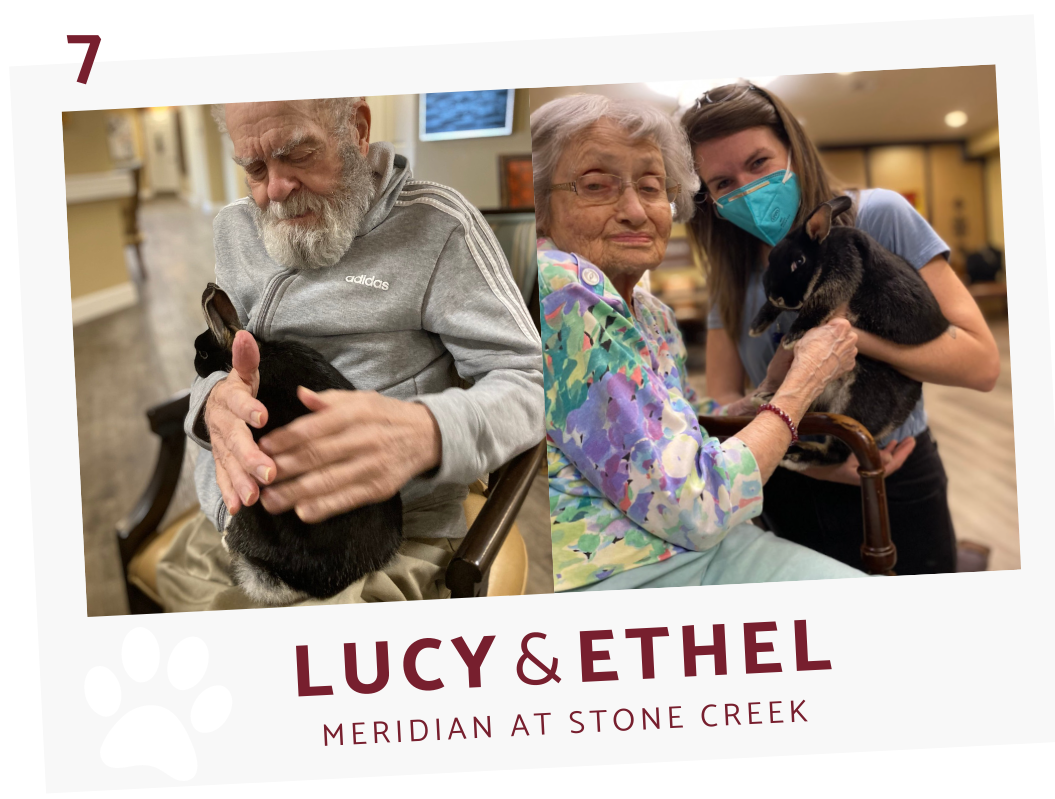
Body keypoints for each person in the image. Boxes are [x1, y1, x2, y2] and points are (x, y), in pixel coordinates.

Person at [155, 97, 544, 610]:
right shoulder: (234, 229)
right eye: (254, 168)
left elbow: (531, 382)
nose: (274, 190)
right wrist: (213, 404)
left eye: (297, 154)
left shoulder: (439, 227)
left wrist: (426, 432)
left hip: (388, 544)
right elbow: (225, 357)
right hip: (234, 522)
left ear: (357, 130)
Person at [533, 93, 867, 592]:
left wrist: (766, 394)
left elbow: (680, 429)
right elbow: (696, 506)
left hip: (695, 545)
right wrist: (802, 385)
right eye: (596, 185)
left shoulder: (650, 313)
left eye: (651, 186)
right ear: (540, 209)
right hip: (626, 569)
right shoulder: (563, 284)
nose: (634, 210)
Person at [682, 82, 1000, 575]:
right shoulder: (732, 265)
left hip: (889, 476)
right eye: (723, 183)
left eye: (759, 163)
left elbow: (980, 363)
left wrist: (840, 339)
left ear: (793, 150)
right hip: (784, 480)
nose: (745, 188)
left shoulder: (877, 217)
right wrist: (813, 463)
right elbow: (725, 392)